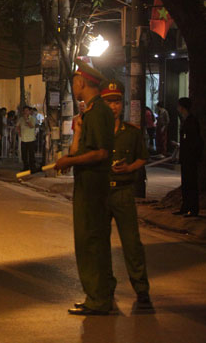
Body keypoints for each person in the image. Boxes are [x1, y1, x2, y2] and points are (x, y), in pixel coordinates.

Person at [54, 60, 114, 315]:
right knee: (86, 240)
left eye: (76, 80)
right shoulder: (88, 113)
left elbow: (100, 153)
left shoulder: (100, 111)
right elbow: (79, 149)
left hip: (94, 186)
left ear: (82, 82)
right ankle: (96, 294)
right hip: (84, 184)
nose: (74, 84)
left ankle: (99, 298)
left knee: (92, 241)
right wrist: (77, 133)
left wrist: (70, 161)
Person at [101, 80, 152, 309]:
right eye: (109, 102)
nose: (113, 107)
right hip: (101, 193)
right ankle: (106, 288)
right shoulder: (95, 132)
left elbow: (142, 157)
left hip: (123, 192)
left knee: (132, 243)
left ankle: (141, 290)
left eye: (117, 102)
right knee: (101, 245)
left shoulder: (131, 132)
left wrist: (129, 168)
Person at [174, 97, 203, 217]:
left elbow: (194, 141)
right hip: (186, 157)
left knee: (191, 183)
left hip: (190, 158)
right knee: (186, 183)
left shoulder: (191, 121)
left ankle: (192, 208)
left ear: (182, 107)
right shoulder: (186, 120)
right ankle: (185, 207)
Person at [16, 106, 37, 172]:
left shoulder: (32, 118)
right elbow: (17, 125)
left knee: (31, 155)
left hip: (31, 139)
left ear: (30, 111)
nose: (25, 112)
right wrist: (19, 132)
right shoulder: (21, 119)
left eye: (27, 110)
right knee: (24, 155)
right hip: (23, 139)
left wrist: (27, 119)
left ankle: (33, 168)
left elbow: (31, 126)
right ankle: (26, 167)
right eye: (24, 111)